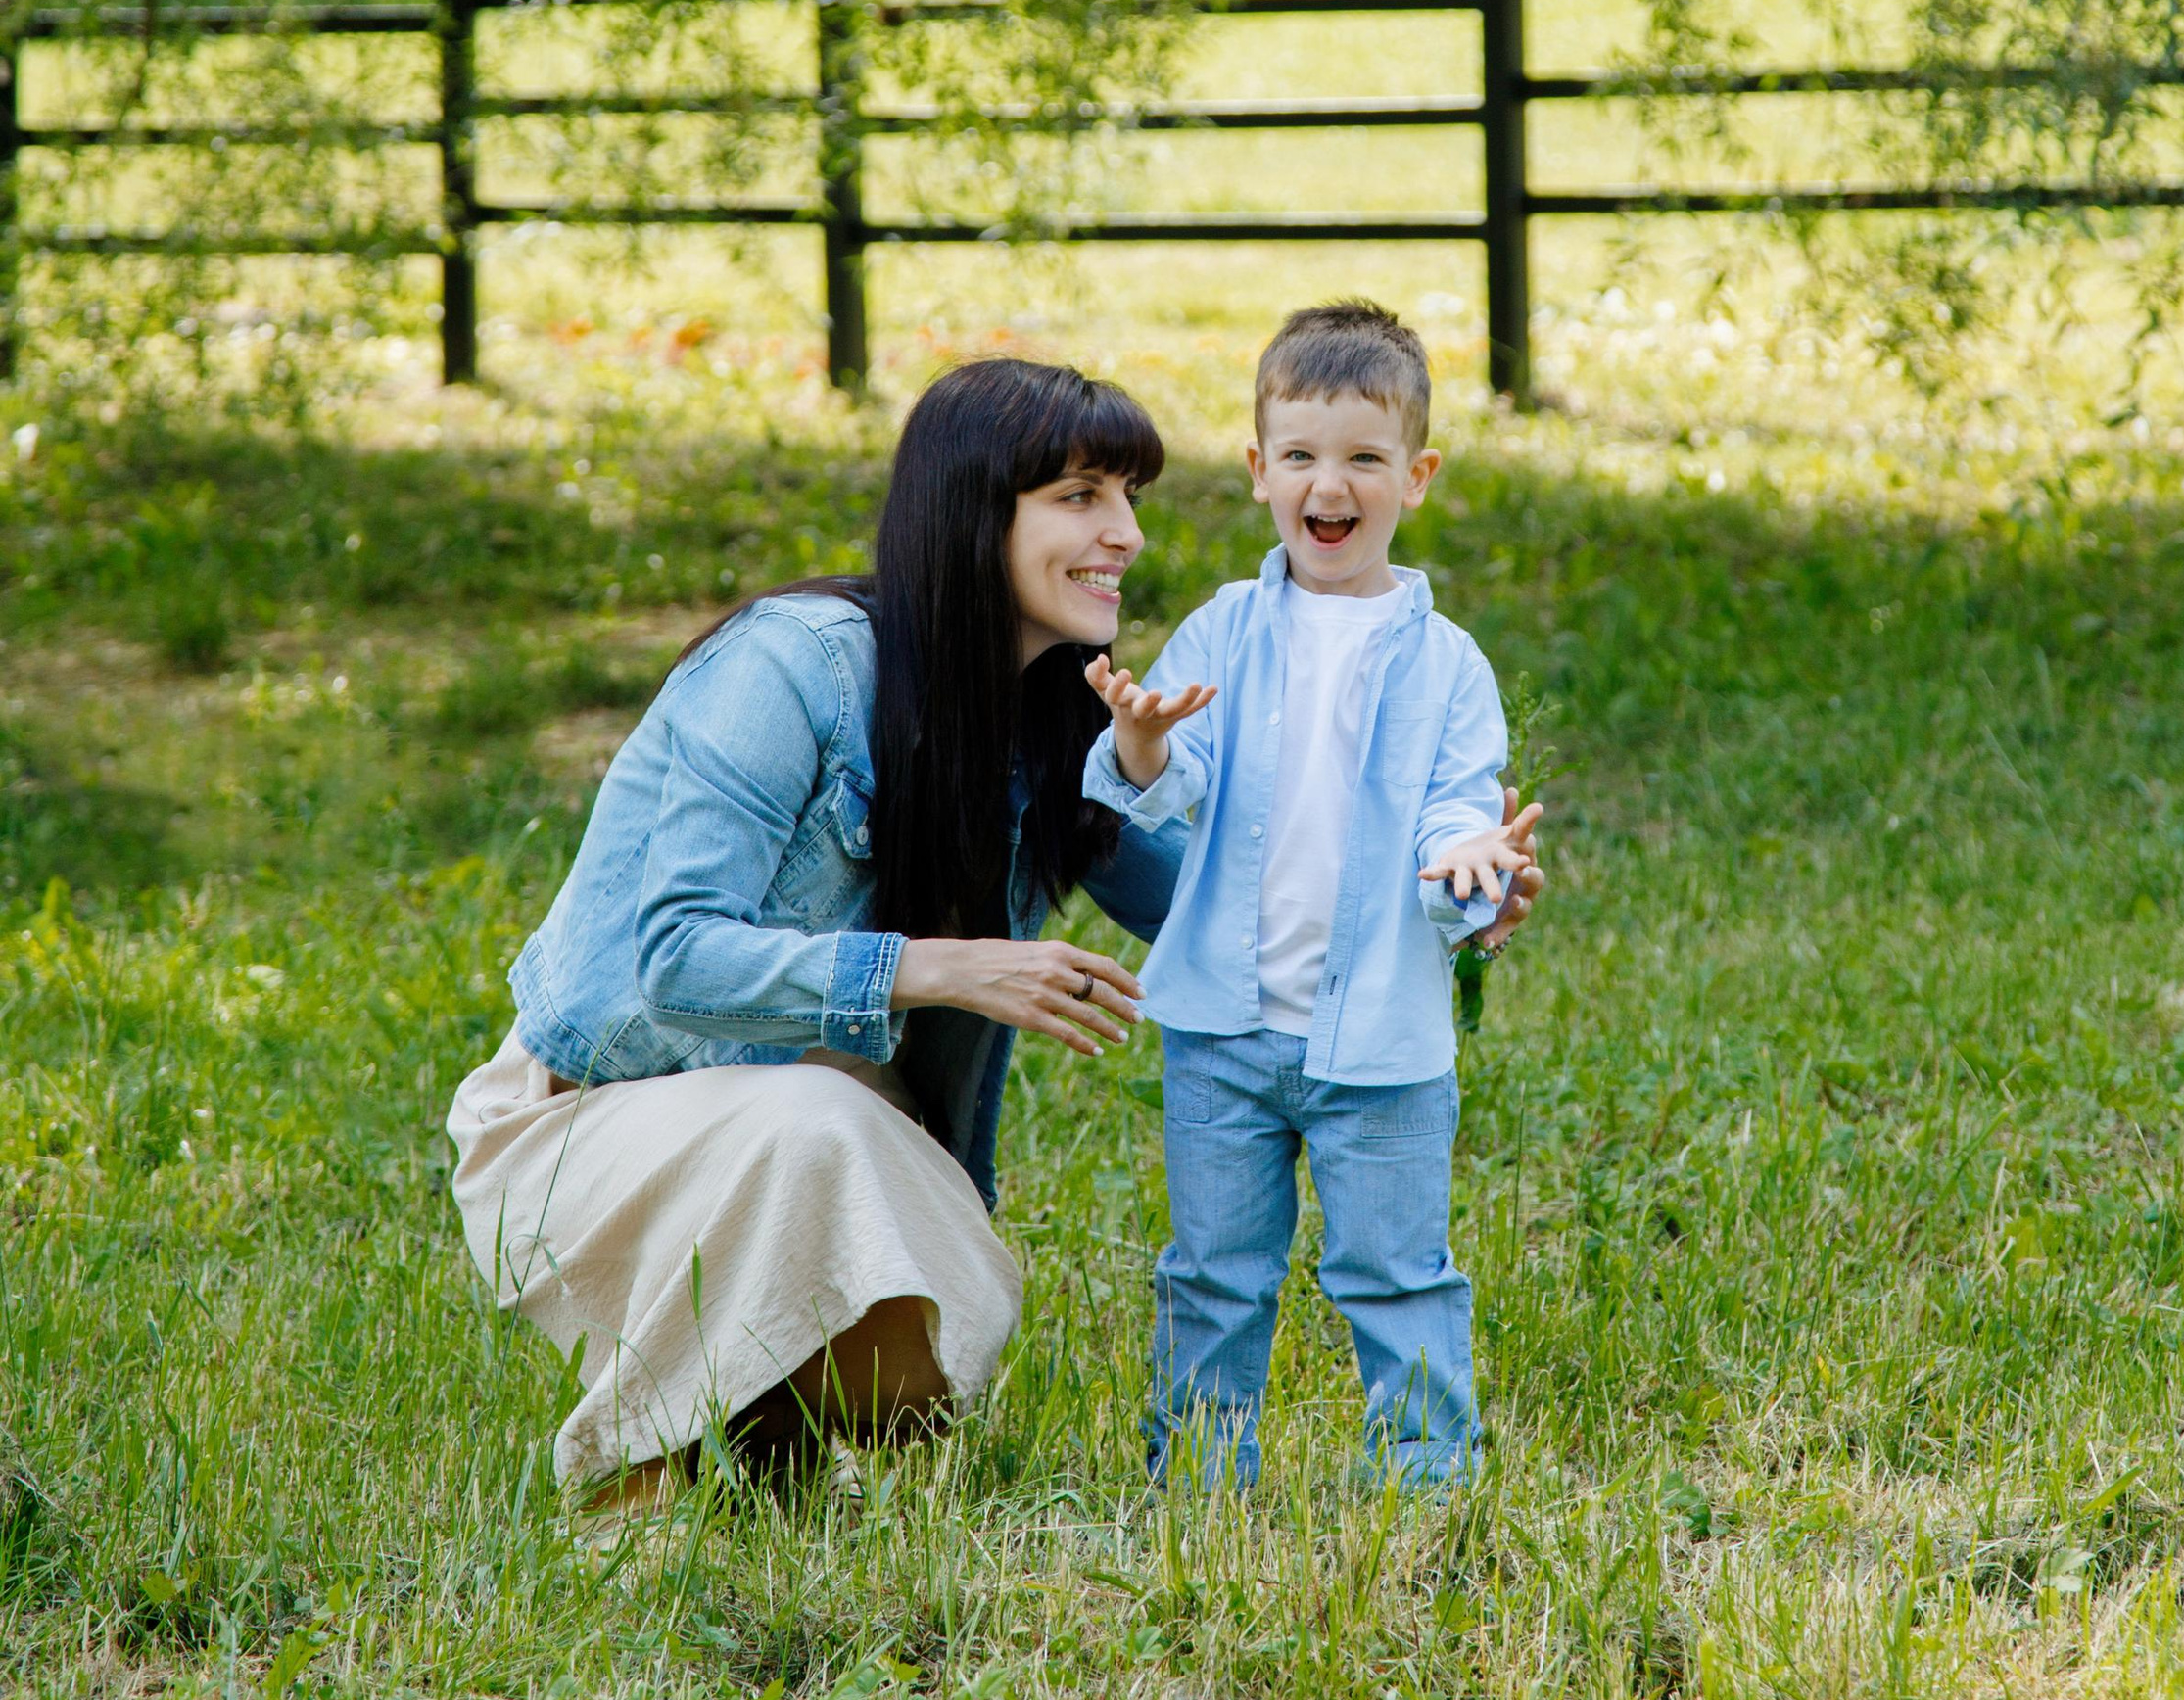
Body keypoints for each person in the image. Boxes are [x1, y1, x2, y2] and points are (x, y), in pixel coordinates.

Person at [445, 357, 1182, 1508]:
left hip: (816, 1136)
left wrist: (1448, 892)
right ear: (974, 510)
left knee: (918, 1360)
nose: (1125, 533)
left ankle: (758, 1425)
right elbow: (677, 957)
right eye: (1082, 496)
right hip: (580, 1125)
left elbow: (1214, 911)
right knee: (817, 1119)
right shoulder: (796, 664)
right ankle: (625, 1478)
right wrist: (940, 969)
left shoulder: (1063, 718)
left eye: (1130, 496)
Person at [1082, 300, 1540, 1490]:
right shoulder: (1224, 633)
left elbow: (1454, 803)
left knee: (1397, 1271)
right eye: (1299, 455)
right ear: (1256, 472)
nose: (1327, 484)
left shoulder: (1446, 662)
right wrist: (1137, 741)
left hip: (1380, 1041)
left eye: (1361, 459)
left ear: (1416, 476)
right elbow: (1165, 778)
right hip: (1222, 1030)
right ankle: (1195, 1480)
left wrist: (1466, 862)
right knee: (1213, 1270)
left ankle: (1427, 1479)